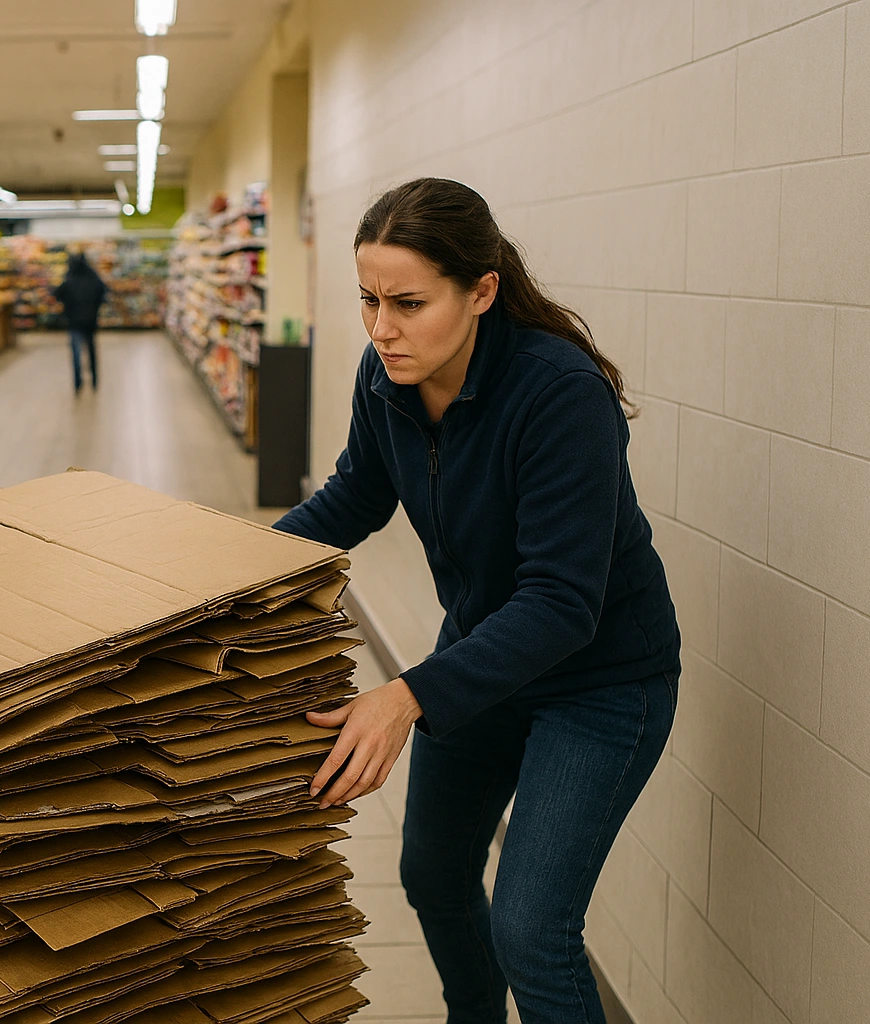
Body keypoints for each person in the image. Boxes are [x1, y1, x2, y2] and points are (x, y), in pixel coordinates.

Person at [275, 178, 680, 1024]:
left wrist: (408, 695)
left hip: (600, 682)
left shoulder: (558, 392)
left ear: (482, 292)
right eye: (368, 300)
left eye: (409, 303)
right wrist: (234, 568)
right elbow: (357, 497)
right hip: (487, 654)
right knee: (432, 874)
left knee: (533, 931)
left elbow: (565, 602)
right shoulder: (386, 373)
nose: (382, 328)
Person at [53, 251, 107, 392]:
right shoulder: (93, 277)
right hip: (90, 321)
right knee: (91, 351)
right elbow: (104, 293)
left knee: (76, 353)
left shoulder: (70, 279)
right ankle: (94, 380)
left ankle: (78, 383)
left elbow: (57, 294)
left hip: (74, 322)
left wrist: (66, 306)